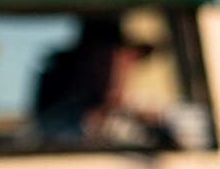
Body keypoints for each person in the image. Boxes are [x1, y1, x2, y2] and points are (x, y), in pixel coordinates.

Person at [34, 19, 170, 148]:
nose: (114, 69)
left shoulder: (150, 107)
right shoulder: (59, 119)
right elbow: (45, 137)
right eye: (103, 61)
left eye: (123, 59)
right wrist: (96, 121)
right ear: (85, 64)